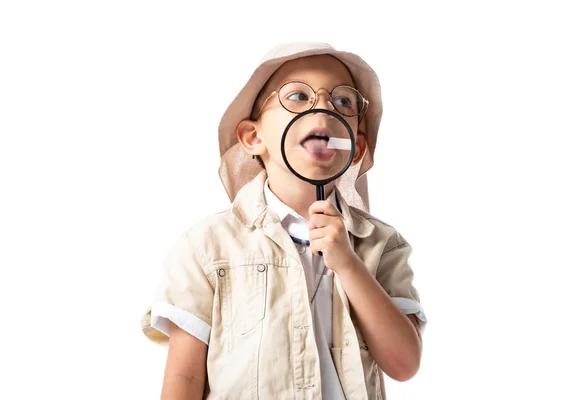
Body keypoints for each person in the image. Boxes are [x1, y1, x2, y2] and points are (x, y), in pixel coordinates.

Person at [141, 42, 427, 400]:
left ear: (356, 146)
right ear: (253, 137)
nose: (323, 107)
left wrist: (350, 266)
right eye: (297, 96)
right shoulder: (206, 246)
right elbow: (183, 378)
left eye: (343, 102)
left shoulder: (381, 244)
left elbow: (404, 363)